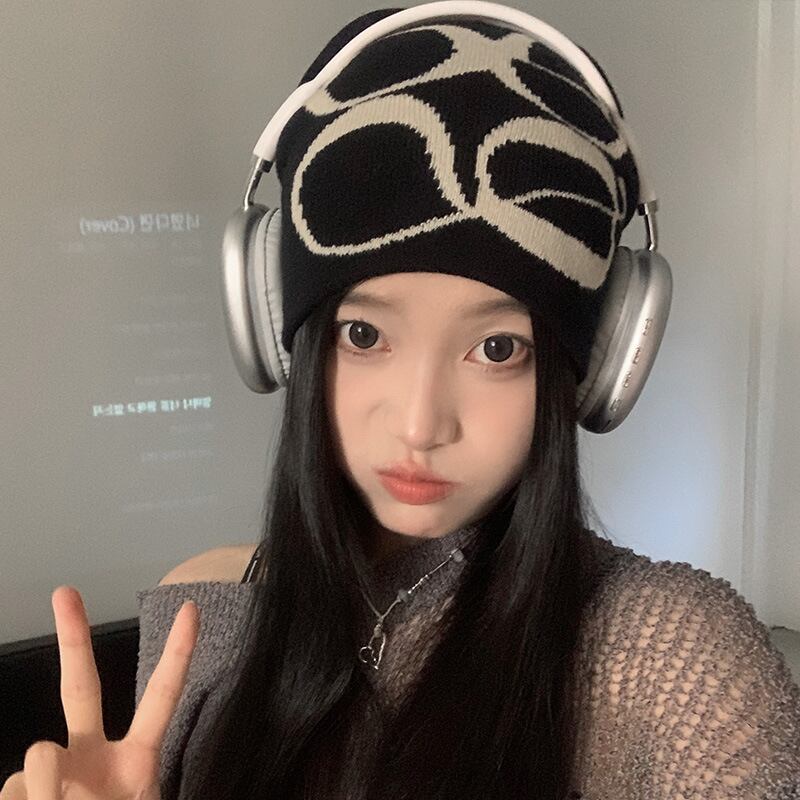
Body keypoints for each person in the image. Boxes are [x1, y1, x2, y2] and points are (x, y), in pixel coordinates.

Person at [4, 6, 800, 800]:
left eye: (497, 349)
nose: (421, 424)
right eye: (364, 335)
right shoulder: (209, 610)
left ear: (590, 373)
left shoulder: (672, 654)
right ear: (290, 340)